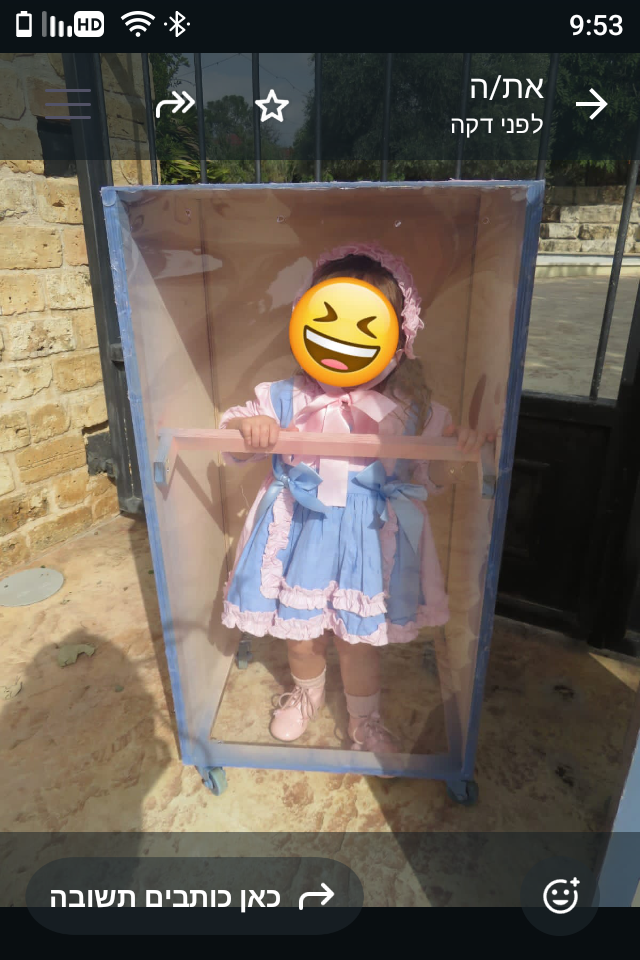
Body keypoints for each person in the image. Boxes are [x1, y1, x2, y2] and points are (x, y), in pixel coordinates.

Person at [220, 243, 490, 755]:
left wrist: (462, 447)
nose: (342, 340)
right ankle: (306, 695)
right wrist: (248, 427)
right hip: (301, 531)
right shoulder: (283, 397)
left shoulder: (412, 410)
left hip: (367, 536)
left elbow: (432, 472)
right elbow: (230, 435)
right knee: (301, 635)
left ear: (397, 341)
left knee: (356, 640)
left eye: (366, 327)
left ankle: (365, 718)